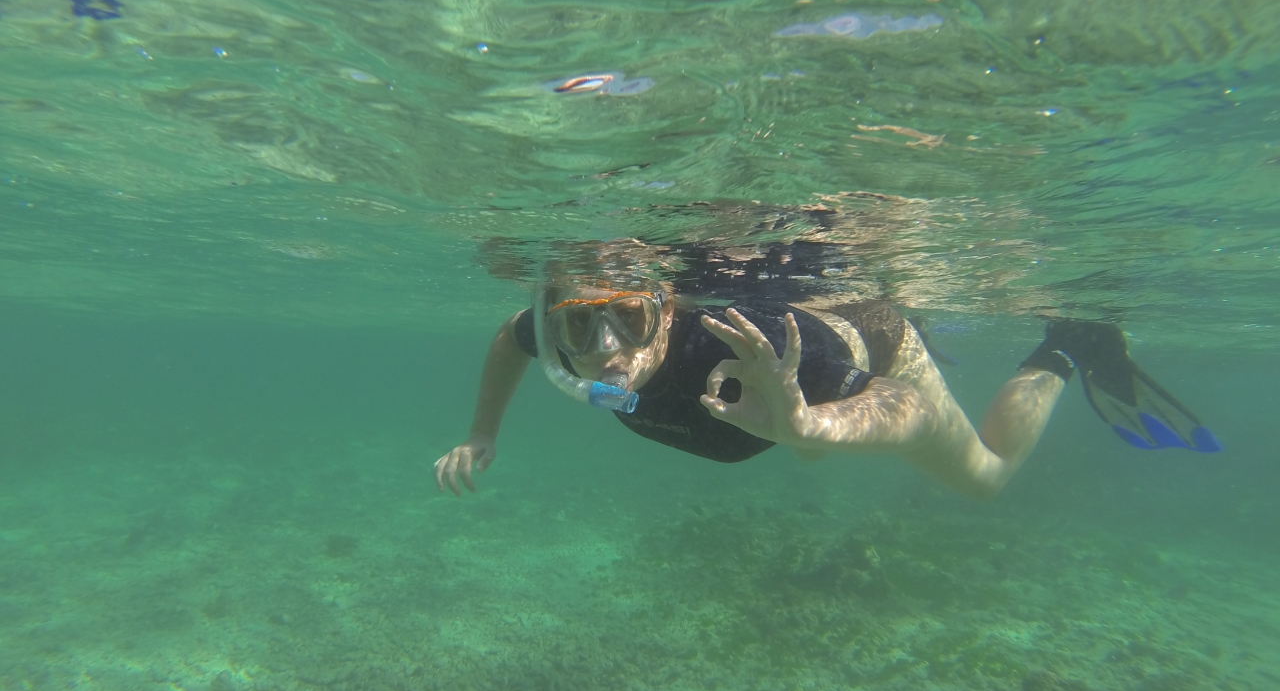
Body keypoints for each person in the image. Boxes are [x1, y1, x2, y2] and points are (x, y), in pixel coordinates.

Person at [434, 284, 1220, 500]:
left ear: (667, 310)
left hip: (869, 342)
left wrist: (812, 425)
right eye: (579, 325)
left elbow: (910, 410)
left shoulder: (741, 347)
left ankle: (1067, 347)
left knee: (986, 478)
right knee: (796, 442)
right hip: (778, 410)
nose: (605, 348)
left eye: (630, 318)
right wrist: (482, 432)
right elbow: (510, 336)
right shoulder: (557, 336)